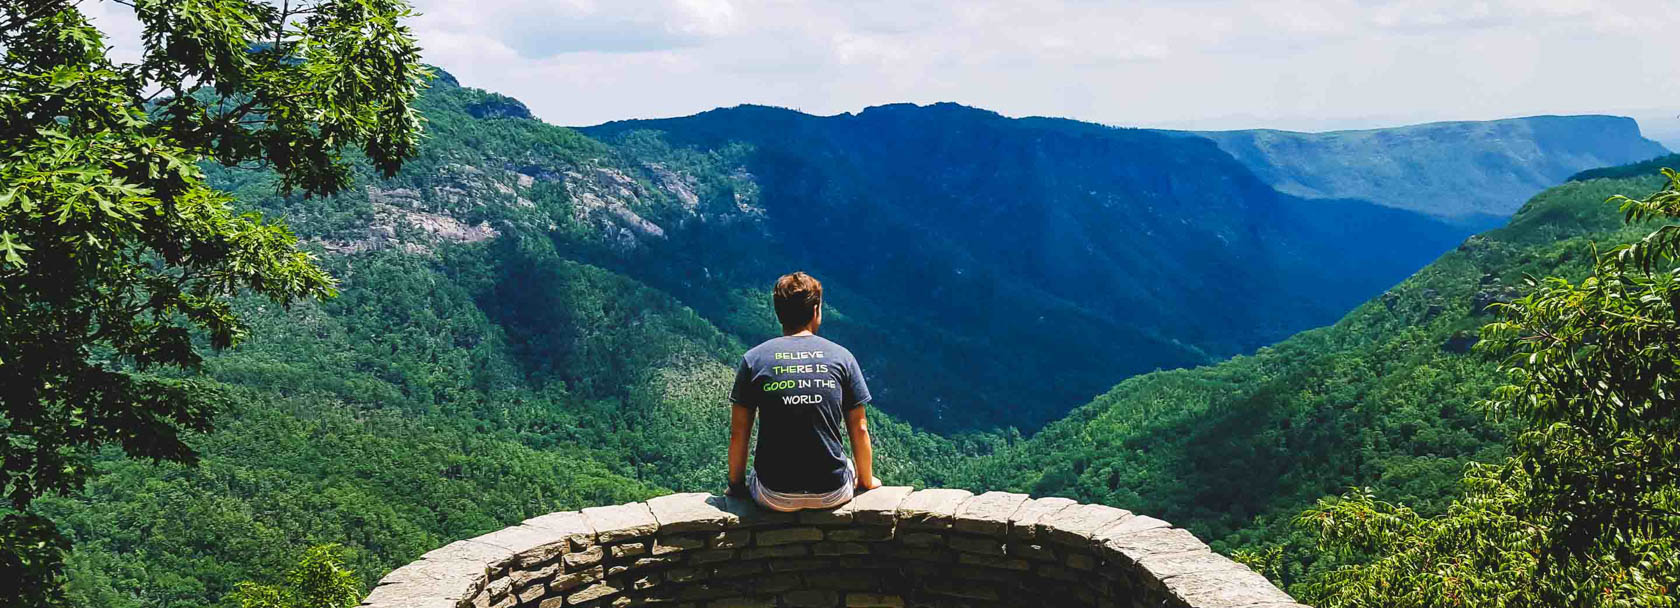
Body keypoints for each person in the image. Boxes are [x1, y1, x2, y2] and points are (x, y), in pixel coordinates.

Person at [726, 271, 881, 511]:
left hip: (774, 494)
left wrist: (736, 487)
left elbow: (738, 433)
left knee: (757, 475)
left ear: (778, 313)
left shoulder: (753, 360)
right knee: (847, 466)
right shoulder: (842, 357)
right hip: (832, 491)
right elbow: (859, 428)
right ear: (816, 310)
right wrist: (867, 481)